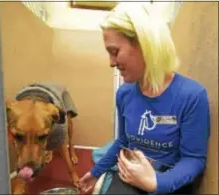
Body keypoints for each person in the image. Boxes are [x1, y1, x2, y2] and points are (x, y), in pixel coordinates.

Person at [79, 2, 210, 194]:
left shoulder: (191, 96)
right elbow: (123, 142)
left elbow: (193, 159)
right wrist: (96, 171)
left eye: (115, 52)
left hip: (169, 180)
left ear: (145, 45)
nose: (111, 62)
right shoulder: (124, 94)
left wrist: (157, 183)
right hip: (129, 175)